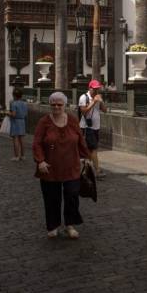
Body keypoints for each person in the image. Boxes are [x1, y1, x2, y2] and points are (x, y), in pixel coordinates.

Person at [33, 92, 90, 239]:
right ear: (50, 105)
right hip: (50, 167)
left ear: (64, 105)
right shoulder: (44, 122)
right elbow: (37, 143)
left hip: (71, 166)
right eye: (53, 104)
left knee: (72, 195)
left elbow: (80, 139)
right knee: (52, 198)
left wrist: (85, 157)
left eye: (59, 104)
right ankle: (53, 226)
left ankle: (70, 225)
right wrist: (40, 161)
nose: (56, 107)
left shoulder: (72, 120)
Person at [78, 79, 107, 177]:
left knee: (90, 149)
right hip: (87, 127)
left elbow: (105, 110)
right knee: (93, 149)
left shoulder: (98, 97)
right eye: (94, 89)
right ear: (90, 88)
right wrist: (94, 102)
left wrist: (101, 102)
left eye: (97, 88)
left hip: (96, 127)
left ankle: (87, 169)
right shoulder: (83, 97)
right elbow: (84, 111)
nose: (96, 90)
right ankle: (97, 171)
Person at [7, 89, 28, 161]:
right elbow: (26, 114)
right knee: (22, 140)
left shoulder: (14, 103)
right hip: (22, 121)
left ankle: (16, 156)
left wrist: (7, 113)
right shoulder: (25, 103)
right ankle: (23, 155)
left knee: (15, 139)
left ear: (14, 96)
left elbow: (13, 114)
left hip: (15, 122)